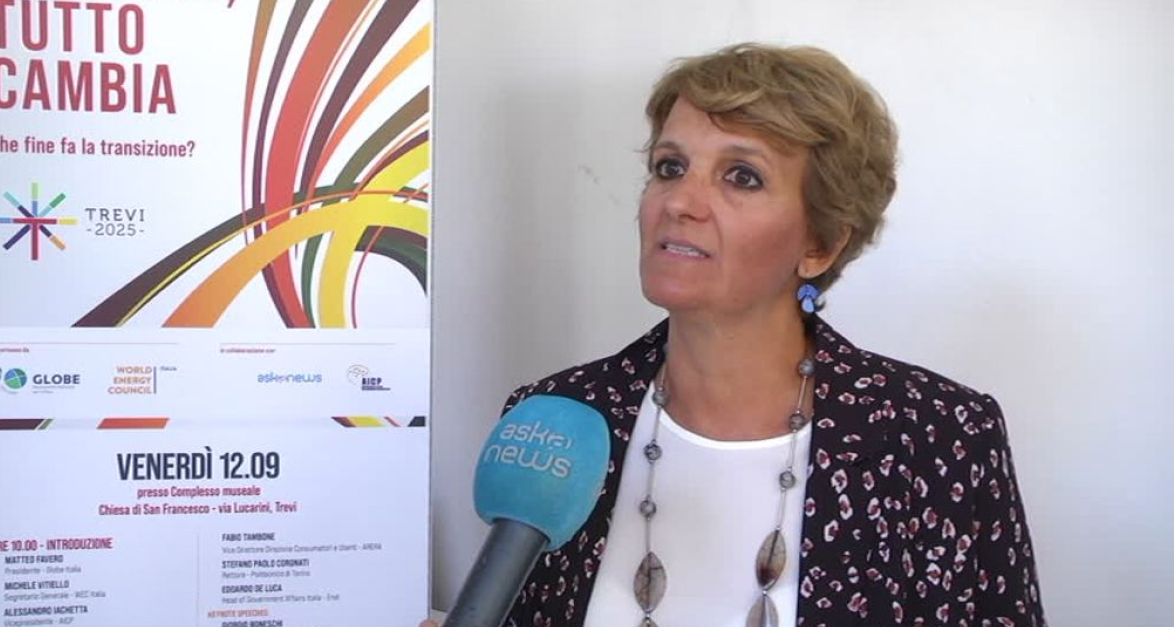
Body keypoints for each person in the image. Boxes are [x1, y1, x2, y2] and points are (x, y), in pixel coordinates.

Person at [430, 42, 1045, 627]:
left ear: (820, 244)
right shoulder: (558, 420)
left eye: (742, 177)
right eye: (670, 167)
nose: (680, 202)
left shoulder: (939, 439)